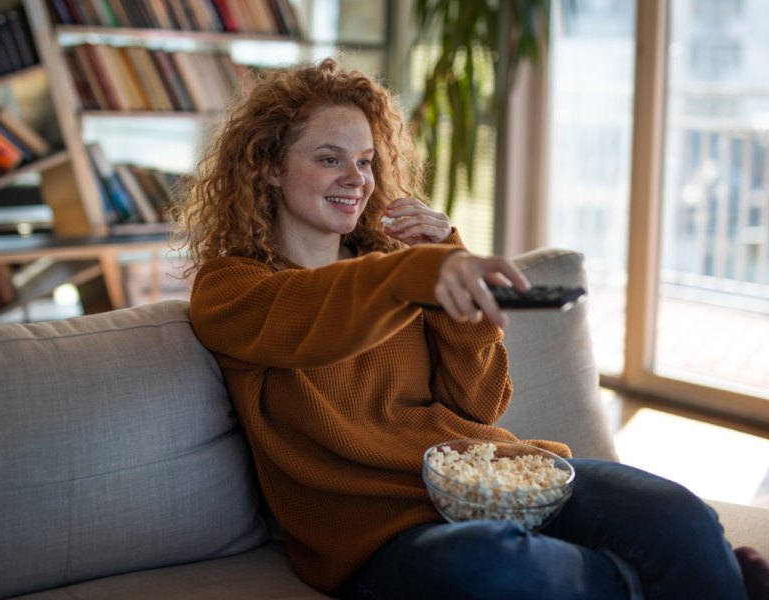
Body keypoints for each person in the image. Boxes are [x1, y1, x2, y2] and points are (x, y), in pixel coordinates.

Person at [176, 58, 764, 599]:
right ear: (271, 168)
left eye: (366, 161)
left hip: (494, 478)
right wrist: (419, 274)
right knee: (497, 568)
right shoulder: (232, 289)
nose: (357, 178)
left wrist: (445, 268)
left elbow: (479, 407)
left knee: (675, 513)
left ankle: (695, 570)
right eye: (330, 158)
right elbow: (317, 318)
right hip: (382, 535)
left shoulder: (397, 267)